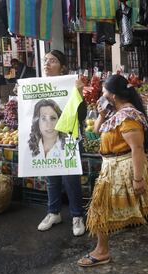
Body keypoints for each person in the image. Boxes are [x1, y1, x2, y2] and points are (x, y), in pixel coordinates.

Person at [77, 75, 148, 267]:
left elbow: (137, 148)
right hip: (113, 168)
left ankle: (101, 251)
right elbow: (96, 129)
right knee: (147, 206)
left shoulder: (128, 116)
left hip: (124, 169)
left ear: (113, 95)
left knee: (101, 209)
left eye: (104, 92)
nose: (102, 95)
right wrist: (101, 114)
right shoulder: (114, 113)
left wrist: (138, 178)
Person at [36, 50, 86, 236]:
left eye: (53, 61)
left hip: (69, 138)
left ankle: (76, 215)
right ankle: (53, 212)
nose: (47, 64)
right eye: (45, 61)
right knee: (51, 177)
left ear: (62, 66)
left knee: (70, 178)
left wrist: (79, 95)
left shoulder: (71, 85)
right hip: (48, 137)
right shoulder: (38, 86)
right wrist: (22, 96)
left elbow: (81, 116)